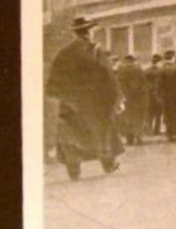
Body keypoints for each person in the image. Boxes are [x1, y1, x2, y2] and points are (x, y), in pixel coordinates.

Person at [45, 16, 123, 180]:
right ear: (89, 32)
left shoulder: (64, 52)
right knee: (102, 131)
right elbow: (108, 75)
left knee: (72, 134)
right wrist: (117, 97)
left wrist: (63, 96)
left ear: (76, 33)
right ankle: (108, 164)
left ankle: (74, 170)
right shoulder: (94, 50)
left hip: (70, 101)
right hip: (94, 101)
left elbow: (53, 81)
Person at [116, 54, 149, 146]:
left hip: (127, 98)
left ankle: (129, 138)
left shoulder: (121, 71)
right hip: (139, 98)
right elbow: (144, 84)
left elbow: (119, 84)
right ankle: (138, 136)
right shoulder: (138, 70)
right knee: (139, 117)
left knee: (127, 117)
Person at [155, 49, 176, 141]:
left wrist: (159, 95)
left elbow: (158, 84)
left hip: (165, 96)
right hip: (175, 95)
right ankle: (175, 133)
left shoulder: (161, 69)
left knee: (167, 114)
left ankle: (169, 134)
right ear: (172, 58)